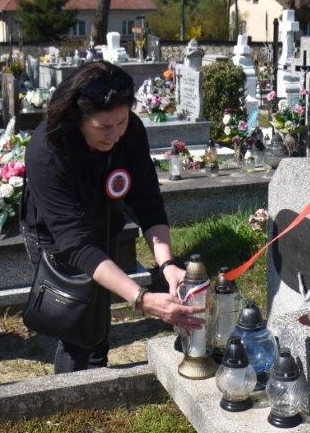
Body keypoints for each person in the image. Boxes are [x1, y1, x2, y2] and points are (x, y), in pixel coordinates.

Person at [23, 61, 204, 374]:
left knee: (99, 310)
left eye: (121, 121)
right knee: (77, 323)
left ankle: (97, 367)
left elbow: (148, 202)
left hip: (103, 221)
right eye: (103, 127)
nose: (115, 135)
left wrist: (168, 265)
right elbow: (76, 244)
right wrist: (141, 299)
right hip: (58, 234)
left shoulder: (130, 132)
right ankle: (74, 387)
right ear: (77, 118)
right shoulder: (47, 149)